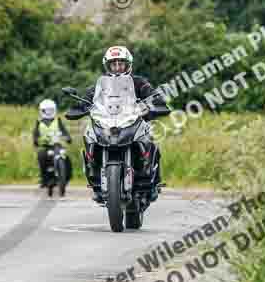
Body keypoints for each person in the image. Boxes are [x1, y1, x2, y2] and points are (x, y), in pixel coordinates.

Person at [73, 46, 167, 202]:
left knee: (150, 137)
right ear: (107, 66)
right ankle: (94, 174)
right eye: (113, 64)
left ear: (128, 64)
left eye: (121, 63)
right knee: (89, 134)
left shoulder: (138, 82)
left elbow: (151, 94)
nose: (117, 67)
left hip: (132, 122)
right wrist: (78, 107)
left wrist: (157, 102)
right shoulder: (100, 86)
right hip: (107, 124)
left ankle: (152, 179)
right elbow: (88, 98)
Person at [33, 99, 72, 196]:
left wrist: (67, 137)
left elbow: (63, 131)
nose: (49, 112)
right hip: (45, 146)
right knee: (41, 156)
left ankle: (66, 177)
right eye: (46, 110)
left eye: (51, 110)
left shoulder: (57, 120)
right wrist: (36, 140)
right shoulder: (39, 122)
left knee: (66, 158)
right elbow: (36, 133)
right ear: (42, 111)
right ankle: (44, 179)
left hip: (57, 145)